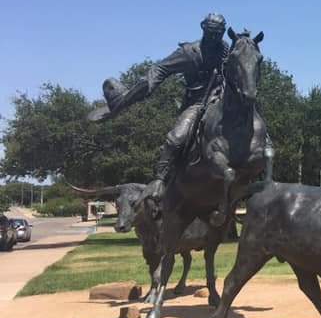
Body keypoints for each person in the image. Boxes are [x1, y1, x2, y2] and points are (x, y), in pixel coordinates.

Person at [89, 12, 230, 201]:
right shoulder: (189, 53)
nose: (214, 38)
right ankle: (160, 179)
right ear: (203, 29)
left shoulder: (225, 50)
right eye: (211, 33)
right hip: (198, 103)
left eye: (218, 34)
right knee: (176, 139)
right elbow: (162, 67)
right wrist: (148, 85)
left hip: (222, 100)